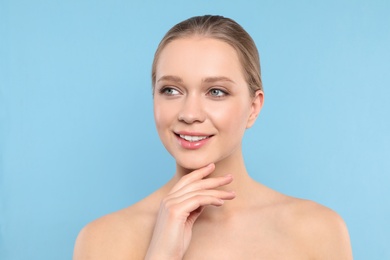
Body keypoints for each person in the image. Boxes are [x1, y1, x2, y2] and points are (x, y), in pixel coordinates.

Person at [73, 15, 352, 259]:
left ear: (253, 108)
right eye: (171, 90)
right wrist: (161, 255)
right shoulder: (102, 239)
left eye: (216, 91)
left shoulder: (318, 230)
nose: (190, 114)